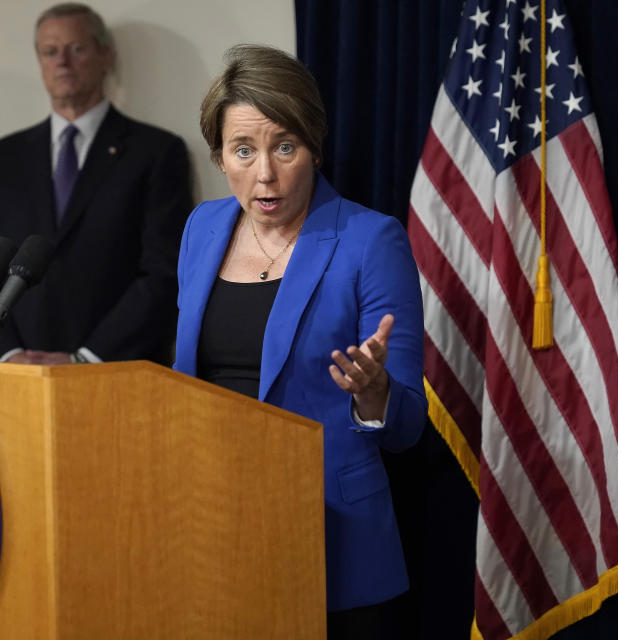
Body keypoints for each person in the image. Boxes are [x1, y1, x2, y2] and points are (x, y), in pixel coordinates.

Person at [173, 45, 427, 638]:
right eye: (243, 150)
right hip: (210, 523)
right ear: (218, 156)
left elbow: (408, 425)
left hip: (330, 538)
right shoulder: (202, 227)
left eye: (284, 147)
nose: (265, 173)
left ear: (313, 146)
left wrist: (374, 391)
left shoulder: (371, 240)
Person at [0, 2, 192, 365]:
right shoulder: (1, 158)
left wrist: (85, 358)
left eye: (76, 48)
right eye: (50, 51)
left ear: (105, 55)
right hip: (17, 376)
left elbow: (164, 271)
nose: (61, 61)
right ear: (40, 63)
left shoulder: (156, 152)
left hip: (116, 370)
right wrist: (8, 353)